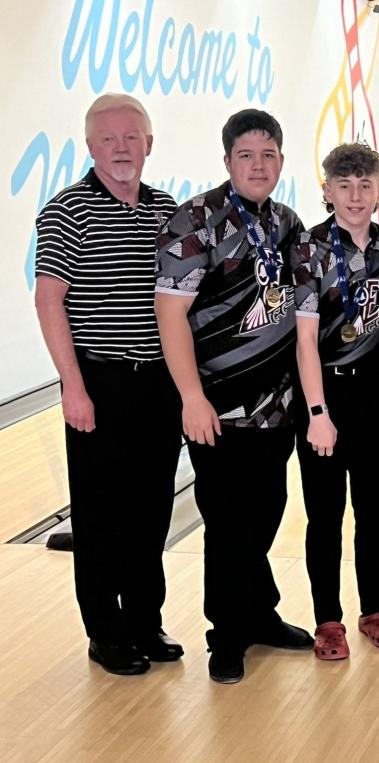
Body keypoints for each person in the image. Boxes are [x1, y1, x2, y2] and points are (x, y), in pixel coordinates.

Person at [155, 109, 312, 684]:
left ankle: (259, 614)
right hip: (216, 406)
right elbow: (169, 316)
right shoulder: (194, 220)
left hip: (276, 405)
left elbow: (305, 310)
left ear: (281, 162)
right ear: (227, 161)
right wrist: (190, 398)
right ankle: (227, 634)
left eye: (268, 155)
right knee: (226, 523)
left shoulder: (288, 222)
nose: (258, 165)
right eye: (246, 155)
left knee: (265, 513)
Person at [34, 94, 183, 676]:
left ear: (149, 143)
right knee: (100, 514)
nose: (121, 149)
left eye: (131, 138)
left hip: (159, 384)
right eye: (108, 139)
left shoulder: (167, 210)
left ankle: (146, 619)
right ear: (90, 146)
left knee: (151, 508)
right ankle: (106, 631)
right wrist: (72, 387)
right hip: (100, 379)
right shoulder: (68, 210)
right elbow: (51, 301)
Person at [293, 143, 379, 660]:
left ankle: (374, 610)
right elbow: (305, 339)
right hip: (326, 393)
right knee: (325, 516)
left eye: (365, 186)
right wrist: (318, 413)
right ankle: (327, 619)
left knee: (375, 513)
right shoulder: (309, 248)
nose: (355, 196)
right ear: (328, 191)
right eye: (344, 186)